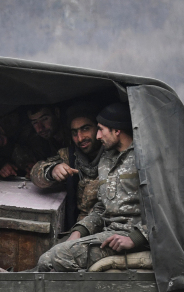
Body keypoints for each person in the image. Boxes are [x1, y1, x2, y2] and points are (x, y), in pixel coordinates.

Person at [36, 103, 148, 272]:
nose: (98, 136)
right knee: (47, 257)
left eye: (101, 129)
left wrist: (136, 238)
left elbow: (166, 207)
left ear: (117, 130)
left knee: (58, 257)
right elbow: (102, 207)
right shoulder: (106, 160)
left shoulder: (144, 159)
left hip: (131, 236)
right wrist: (79, 231)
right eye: (74, 132)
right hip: (108, 233)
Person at [29, 102, 104, 229]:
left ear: (99, 128)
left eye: (85, 129)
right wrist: (52, 170)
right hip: (79, 229)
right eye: (74, 133)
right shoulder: (70, 155)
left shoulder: (114, 154)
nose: (80, 138)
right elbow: (36, 172)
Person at [11, 105, 67, 176]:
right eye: (35, 122)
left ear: (57, 113)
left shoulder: (74, 135)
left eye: (45, 119)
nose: (40, 128)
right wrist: (29, 166)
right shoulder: (35, 140)